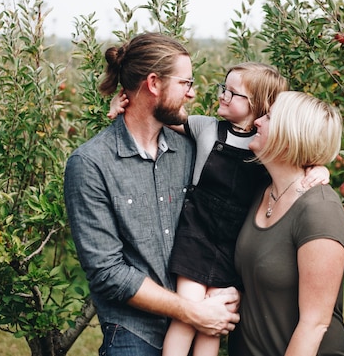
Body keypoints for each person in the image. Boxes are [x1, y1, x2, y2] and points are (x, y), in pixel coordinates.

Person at [108, 63, 330, 356]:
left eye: (232, 92)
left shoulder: (264, 145)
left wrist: (320, 168)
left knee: (213, 323)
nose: (222, 95)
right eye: (223, 88)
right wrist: (123, 103)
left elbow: (295, 153)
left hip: (233, 243)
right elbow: (159, 114)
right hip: (198, 235)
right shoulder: (207, 127)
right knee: (188, 314)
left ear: (258, 105)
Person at [64, 32, 240, 356]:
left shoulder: (191, 150)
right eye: (185, 84)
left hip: (198, 328)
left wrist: (311, 168)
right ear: (154, 83)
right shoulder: (91, 165)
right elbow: (108, 273)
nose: (192, 94)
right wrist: (191, 311)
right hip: (135, 333)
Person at [228, 91, 344, 356]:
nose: (257, 121)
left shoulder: (319, 210)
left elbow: (314, 324)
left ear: (290, 134)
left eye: (269, 117)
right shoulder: (261, 190)